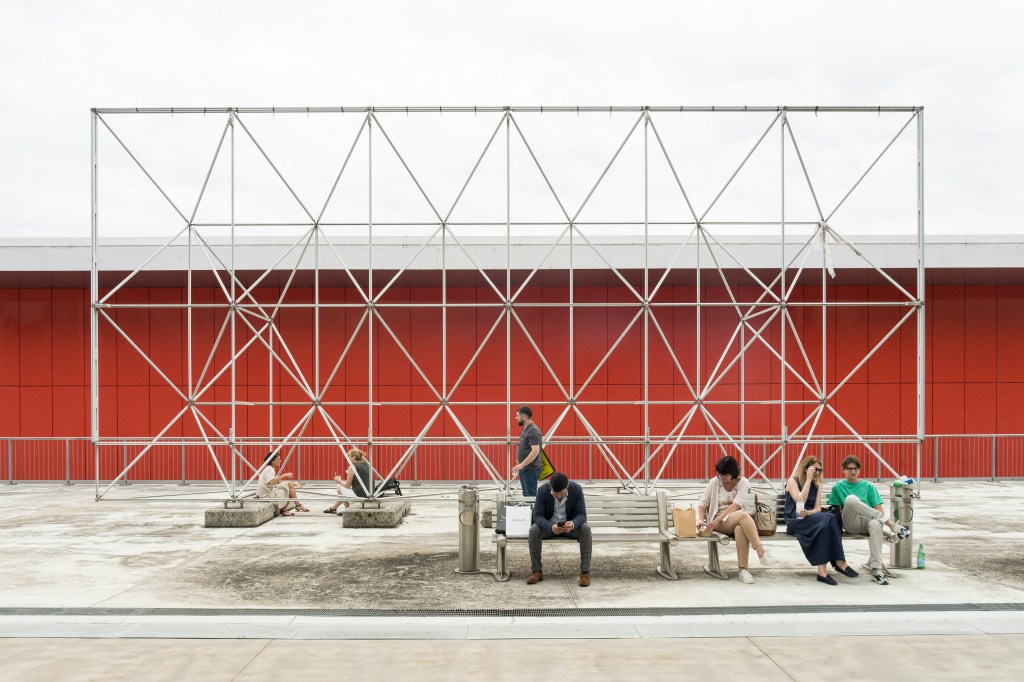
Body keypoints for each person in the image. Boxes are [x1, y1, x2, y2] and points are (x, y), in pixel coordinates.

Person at [827, 454, 910, 585]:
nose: (853, 471)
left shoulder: (868, 486)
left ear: (859, 469)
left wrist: (879, 521)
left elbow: (879, 510)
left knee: (876, 524)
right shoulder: (838, 487)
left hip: (868, 521)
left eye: (855, 469)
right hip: (851, 522)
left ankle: (876, 569)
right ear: (844, 470)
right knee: (851, 499)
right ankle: (892, 525)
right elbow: (836, 512)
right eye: (849, 469)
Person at [697, 455, 777, 583]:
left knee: (740, 528)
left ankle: (743, 571)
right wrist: (702, 520)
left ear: (733, 473)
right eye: (719, 474)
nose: (722, 477)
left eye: (725, 475)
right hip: (719, 521)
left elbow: (737, 504)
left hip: (737, 518)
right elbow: (702, 503)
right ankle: (761, 552)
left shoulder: (743, 482)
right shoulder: (715, 482)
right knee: (744, 515)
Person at [784, 455, 856, 585]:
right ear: (806, 469)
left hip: (810, 518)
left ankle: (822, 572)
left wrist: (809, 512)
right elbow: (800, 500)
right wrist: (808, 480)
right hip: (795, 520)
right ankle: (839, 561)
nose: (817, 473)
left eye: (819, 470)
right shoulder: (792, 481)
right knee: (829, 518)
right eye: (815, 469)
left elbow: (817, 508)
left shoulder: (816, 486)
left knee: (826, 524)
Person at [526, 472, 593, 587]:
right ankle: (537, 571)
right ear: (550, 486)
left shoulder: (576, 489)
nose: (558, 496)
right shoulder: (543, 490)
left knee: (586, 529)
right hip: (549, 527)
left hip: (569, 528)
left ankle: (585, 572)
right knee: (534, 530)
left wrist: (573, 524)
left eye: (561, 494)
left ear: (567, 486)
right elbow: (537, 515)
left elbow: (582, 515)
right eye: (555, 494)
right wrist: (550, 527)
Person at [324, 447, 372, 514]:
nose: (348, 459)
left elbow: (347, 485)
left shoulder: (352, 467)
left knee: (339, 488)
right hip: (369, 494)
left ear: (354, 456)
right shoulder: (366, 465)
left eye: (349, 457)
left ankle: (348, 510)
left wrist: (339, 481)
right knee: (343, 492)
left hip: (361, 496)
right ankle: (333, 508)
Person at [510, 405, 542, 498]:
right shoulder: (526, 429)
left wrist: (521, 465)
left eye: (517, 416)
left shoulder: (533, 430)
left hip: (530, 470)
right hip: (525, 469)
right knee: (526, 495)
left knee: (530, 496)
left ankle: (533, 508)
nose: (516, 418)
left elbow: (535, 451)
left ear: (524, 417)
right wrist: (519, 463)